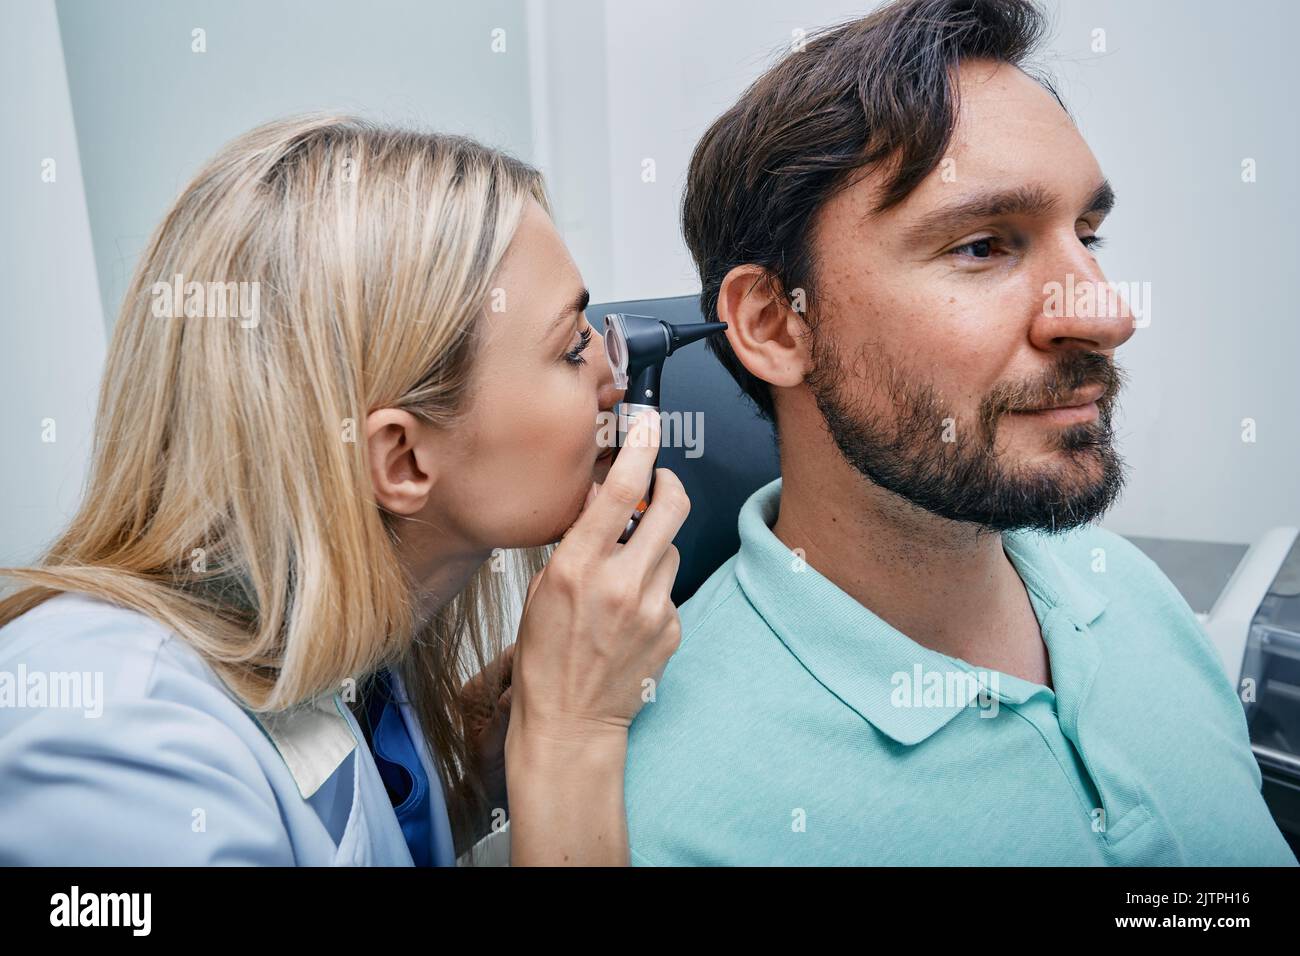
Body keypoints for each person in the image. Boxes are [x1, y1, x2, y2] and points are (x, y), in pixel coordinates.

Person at [622, 0, 1298, 865]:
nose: (1107, 313)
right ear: (777, 325)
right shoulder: (677, 812)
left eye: (1089, 236)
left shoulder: (1124, 589)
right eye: (983, 246)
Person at [0, 115, 689, 866]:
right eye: (573, 347)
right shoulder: (116, 744)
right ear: (401, 461)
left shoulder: (358, 671)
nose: (616, 377)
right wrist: (568, 744)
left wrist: (473, 789)